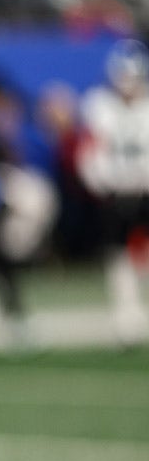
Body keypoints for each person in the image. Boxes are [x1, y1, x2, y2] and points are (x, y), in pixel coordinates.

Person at [76, 37, 149, 346]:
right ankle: (126, 314)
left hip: (144, 189)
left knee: (142, 253)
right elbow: (89, 150)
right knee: (118, 253)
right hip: (115, 191)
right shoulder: (98, 105)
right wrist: (101, 184)